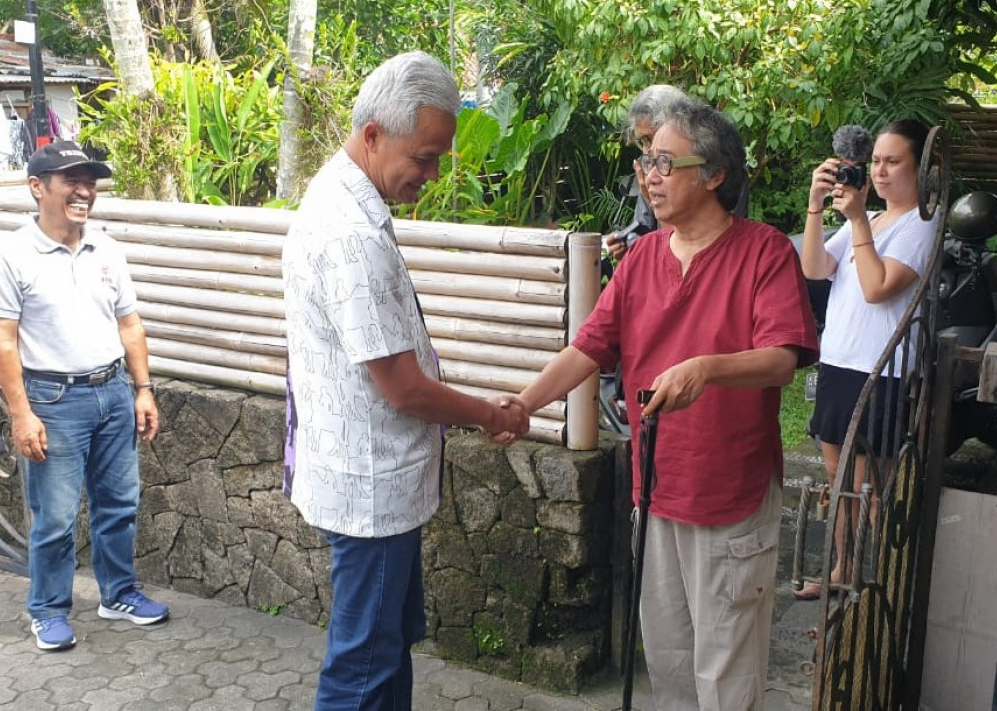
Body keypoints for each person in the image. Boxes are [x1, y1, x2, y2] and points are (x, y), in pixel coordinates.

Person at [498, 102, 818, 710]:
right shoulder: (643, 257)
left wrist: (708, 368)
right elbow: (589, 346)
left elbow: (782, 358)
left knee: (726, 673)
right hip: (657, 486)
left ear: (714, 174)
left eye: (666, 163)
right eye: (646, 162)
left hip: (731, 492)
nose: (650, 176)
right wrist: (524, 404)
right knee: (668, 660)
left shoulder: (764, 251)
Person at [280, 51, 529, 711]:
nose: (433, 174)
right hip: (371, 489)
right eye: (424, 157)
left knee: (385, 647)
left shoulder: (343, 200)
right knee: (362, 666)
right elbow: (402, 387)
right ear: (372, 135)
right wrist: (489, 413)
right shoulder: (351, 235)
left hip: (373, 479)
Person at [0, 141, 168, 651]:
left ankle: (118, 594)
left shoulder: (105, 249)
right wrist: (21, 414)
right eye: (71, 181)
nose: (84, 191)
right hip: (53, 399)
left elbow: (129, 324)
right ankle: (47, 610)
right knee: (56, 517)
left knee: (119, 504)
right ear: (37, 187)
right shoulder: (9, 255)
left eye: (90, 182)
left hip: (113, 391)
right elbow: (2, 339)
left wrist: (143, 389)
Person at [794, 119, 936, 600]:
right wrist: (816, 207)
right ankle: (844, 568)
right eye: (875, 160)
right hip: (839, 363)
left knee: (870, 483)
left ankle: (886, 584)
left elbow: (877, 288)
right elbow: (814, 268)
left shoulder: (921, 225)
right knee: (837, 479)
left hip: (881, 371)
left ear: (921, 168)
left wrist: (856, 221)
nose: (880, 171)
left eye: (893, 161)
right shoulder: (872, 219)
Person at [604, 85, 751, 261]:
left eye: (650, 138)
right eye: (642, 142)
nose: (647, 151)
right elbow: (645, 235)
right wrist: (629, 246)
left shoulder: (715, 167)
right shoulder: (652, 175)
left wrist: (657, 206)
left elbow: (715, 250)